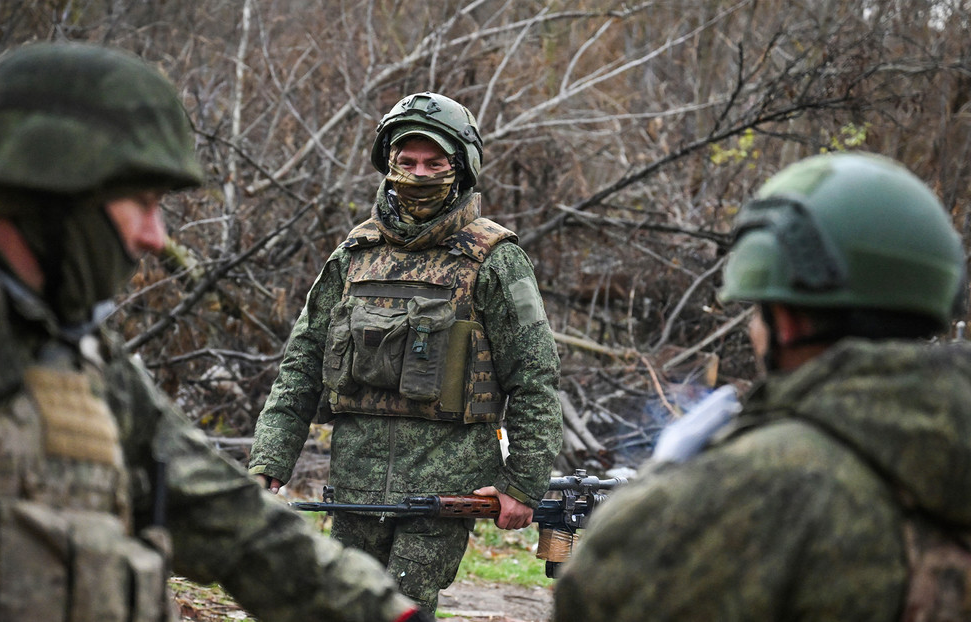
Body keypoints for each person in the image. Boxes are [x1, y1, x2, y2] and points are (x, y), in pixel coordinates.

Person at [0, 41, 433, 622]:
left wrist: (386, 615)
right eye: (141, 202)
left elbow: (222, 512)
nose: (155, 236)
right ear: (54, 188)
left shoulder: (73, 349)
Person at [553, 151, 971, 620]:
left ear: (787, 322)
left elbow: (596, 599)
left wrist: (661, 490)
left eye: (756, 311)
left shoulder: (762, 482)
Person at [248, 92, 563, 613]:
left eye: (434, 162)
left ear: (460, 167)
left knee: (403, 605)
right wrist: (270, 460)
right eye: (408, 161)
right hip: (356, 482)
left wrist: (522, 485)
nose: (420, 173)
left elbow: (535, 376)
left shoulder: (495, 258)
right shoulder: (355, 255)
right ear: (388, 163)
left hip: (446, 487)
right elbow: (301, 365)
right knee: (346, 605)